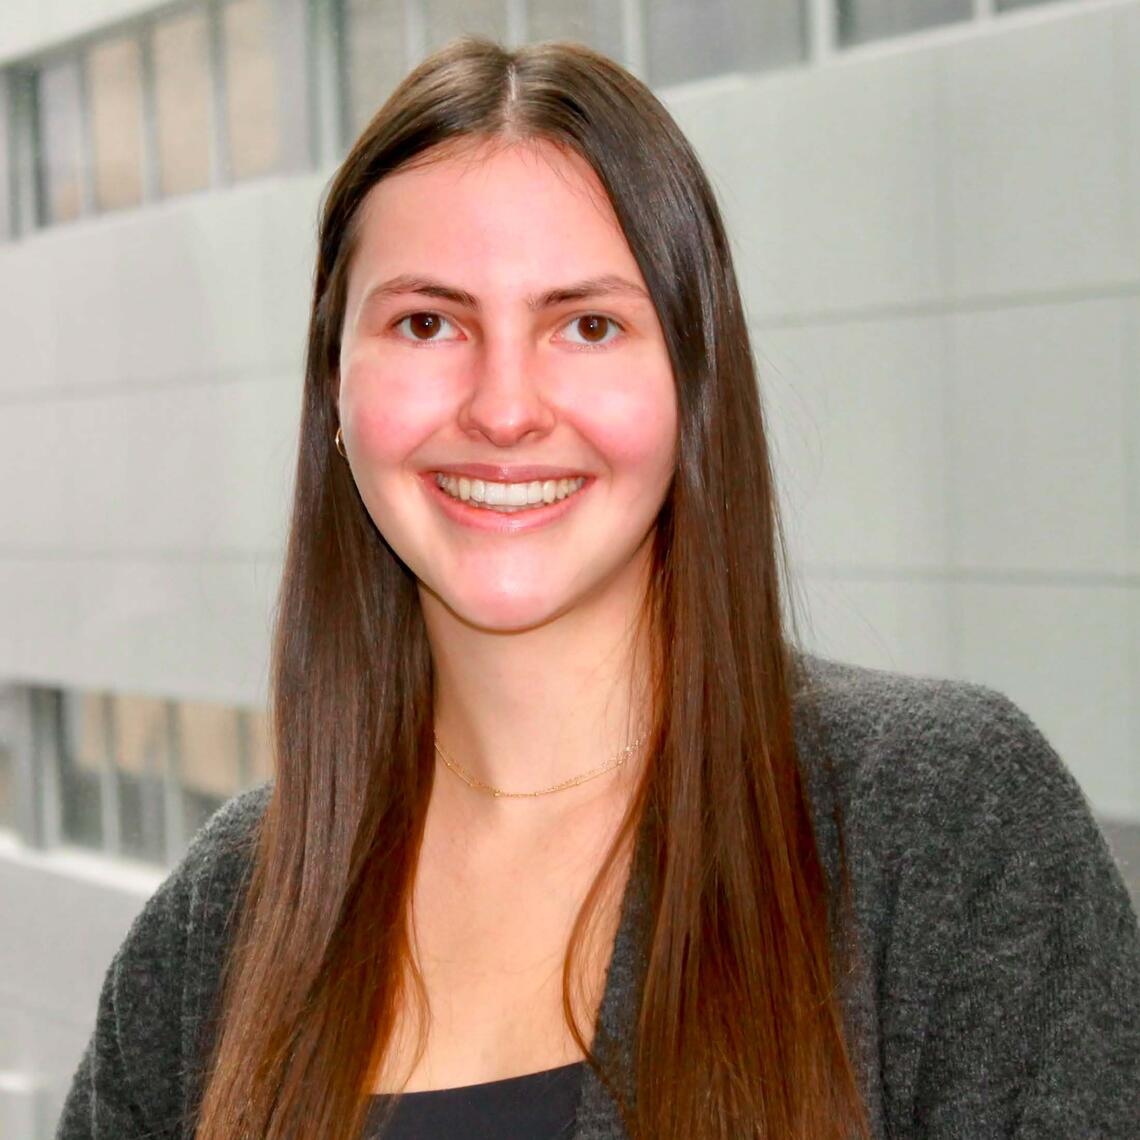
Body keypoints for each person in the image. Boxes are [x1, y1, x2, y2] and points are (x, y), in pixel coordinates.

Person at [57, 36, 1139, 1140]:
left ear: (693, 386)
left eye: (587, 325)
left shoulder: (941, 825)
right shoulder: (221, 921)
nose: (506, 407)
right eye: (427, 322)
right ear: (333, 389)